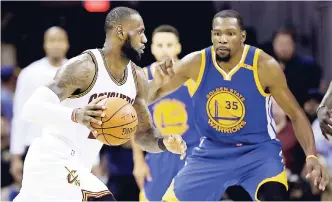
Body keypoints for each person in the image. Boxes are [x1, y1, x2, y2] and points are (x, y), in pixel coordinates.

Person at [148, 10, 329, 201]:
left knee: (273, 196)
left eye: (230, 33)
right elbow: (152, 96)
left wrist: (311, 156)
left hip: (258, 152)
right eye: (217, 34)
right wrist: (155, 82)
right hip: (212, 152)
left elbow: (296, 114)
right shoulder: (196, 62)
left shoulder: (264, 66)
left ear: (242, 36)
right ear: (211, 36)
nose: (223, 39)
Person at [13, 7, 186, 202]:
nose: (144, 39)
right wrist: (76, 115)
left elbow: (144, 135)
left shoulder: (135, 76)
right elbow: (31, 109)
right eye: (139, 32)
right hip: (52, 158)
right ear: (120, 32)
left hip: (78, 168)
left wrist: (164, 143)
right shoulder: (85, 67)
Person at [131, 25, 200, 201]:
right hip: (157, 153)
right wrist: (138, 161)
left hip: (190, 153)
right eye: (159, 45)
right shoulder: (142, 78)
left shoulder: (193, 78)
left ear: (178, 47)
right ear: (152, 48)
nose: (164, 50)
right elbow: (133, 123)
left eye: (169, 45)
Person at [10, 26, 69, 186]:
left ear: (67, 44)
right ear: (45, 44)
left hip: (69, 148)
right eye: (52, 40)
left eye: (60, 40)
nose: (56, 44)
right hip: (36, 147)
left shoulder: (79, 73)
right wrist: (16, 156)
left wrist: (93, 159)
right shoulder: (29, 73)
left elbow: (85, 116)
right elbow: (19, 115)